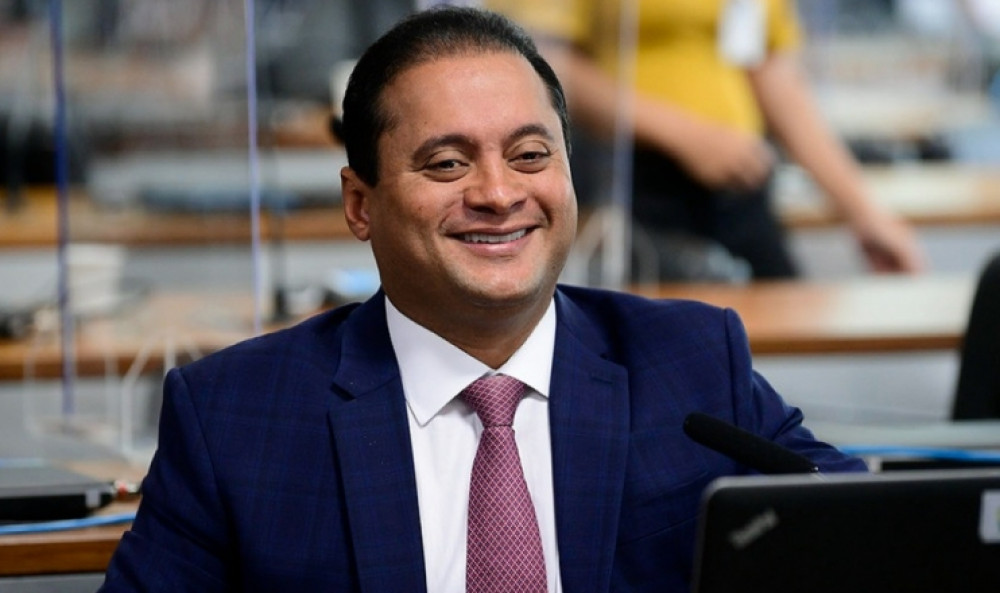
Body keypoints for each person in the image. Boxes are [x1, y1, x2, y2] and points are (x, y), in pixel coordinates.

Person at [99, 7, 865, 592]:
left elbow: (867, 531)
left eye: (530, 155)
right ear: (360, 204)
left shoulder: (691, 363)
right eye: (446, 164)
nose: (498, 194)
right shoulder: (234, 417)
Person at [492, 0, 926, 281]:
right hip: (631, 185)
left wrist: (863, 212)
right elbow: (541, 60)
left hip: (741, 183)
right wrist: (689, 137)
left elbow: (773, 74)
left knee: (767, 350)